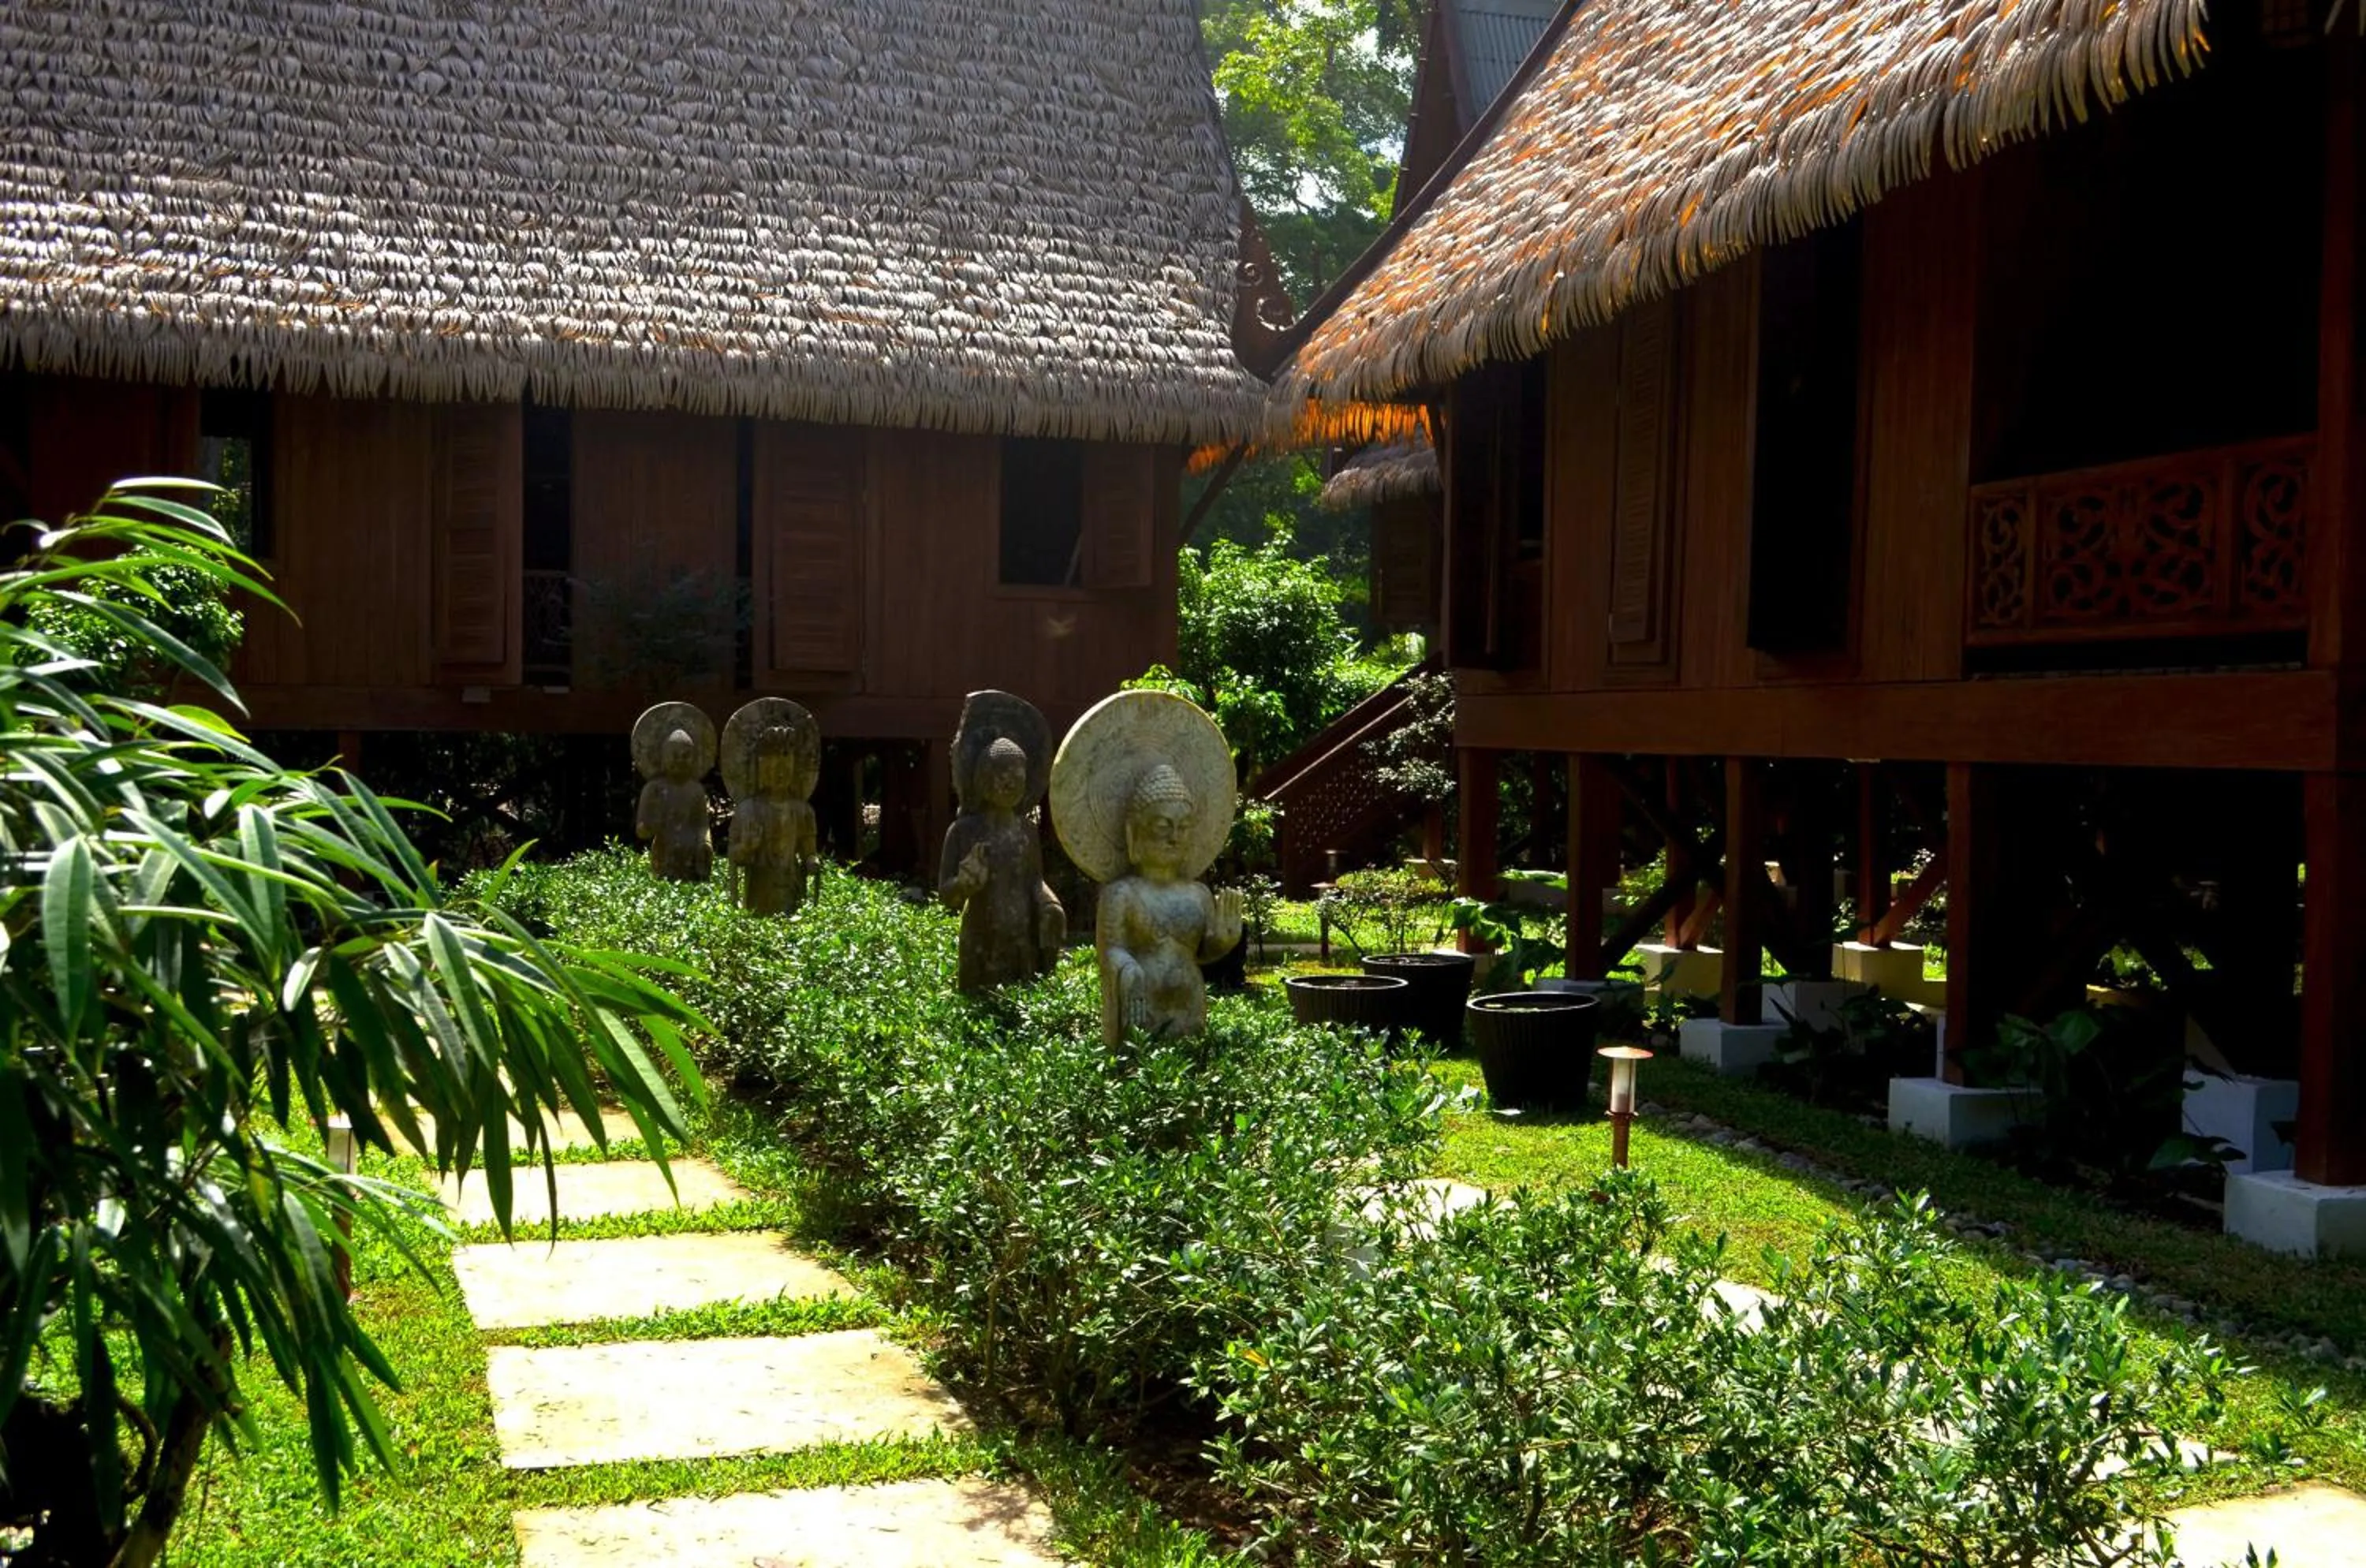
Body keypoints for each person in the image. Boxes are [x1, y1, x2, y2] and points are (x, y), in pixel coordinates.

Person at [1094, 762, 1242, 1046]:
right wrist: (1128, 970)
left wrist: (1223, 943)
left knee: (1188, 1070)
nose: (1175, 837)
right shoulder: (1120, 894)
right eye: (1163, 826)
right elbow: (1110, 950)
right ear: (1134, 833)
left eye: (1184, 827)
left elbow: (1202, 952)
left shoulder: (1198, 893)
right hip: (1141, 1003)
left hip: (1190, 1003)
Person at [939, 736, 1065, 992]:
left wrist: (1050, 903)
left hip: (1022, 937)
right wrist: (964, 884)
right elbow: (946, 895)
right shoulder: (964, 831)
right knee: (980, 1011)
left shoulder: (1027, 831)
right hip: (981, 938)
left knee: (1020, 1010)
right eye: (1004, 775)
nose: (1012, 783)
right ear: (985, 778)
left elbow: (1035, 880)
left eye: (1019, 777)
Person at [729, 726, 817, 916]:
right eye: (771, 767)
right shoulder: (747, 810)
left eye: (785, 767)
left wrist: (812, 861)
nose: (779, 773)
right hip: (760, 890)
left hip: (791, 884)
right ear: (758, 769)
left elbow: (808, 851)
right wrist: (746, 847)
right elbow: (734, 857)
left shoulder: (803, 811)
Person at [635, 727, 711, 881]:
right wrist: (650, 825)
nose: (680, 760)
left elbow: (703, 825)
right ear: (663, 758)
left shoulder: (696, 790)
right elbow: (642, 831)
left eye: (686, 756)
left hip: (692, 858)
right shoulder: (653, 789)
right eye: (674, 755)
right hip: (664, 855)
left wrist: (706, 843)